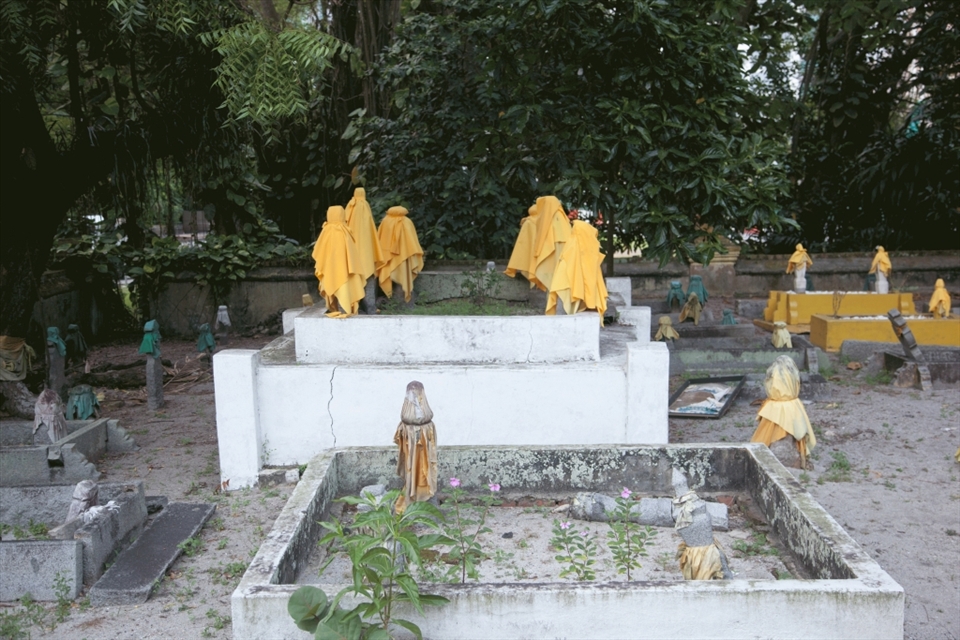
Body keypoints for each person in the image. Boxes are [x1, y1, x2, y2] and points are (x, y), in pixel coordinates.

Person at [312, 206, 365, 317]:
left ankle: (338, 307)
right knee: (344, 286)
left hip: (330, 270)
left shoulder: (325, 232)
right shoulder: (345, 231)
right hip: (344, 270)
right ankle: (345, 307)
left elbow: (318, 253)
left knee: (334, 283)